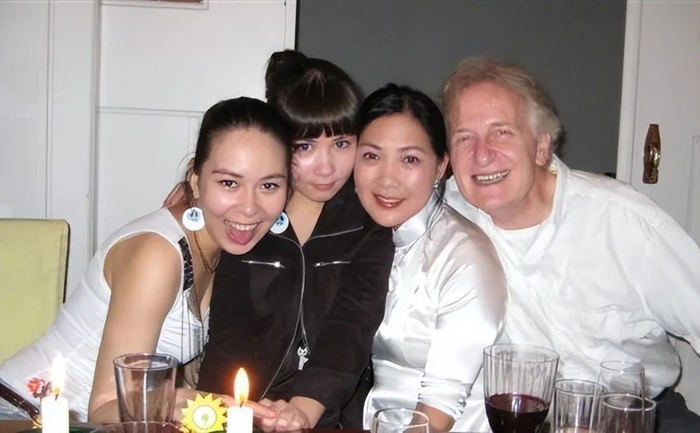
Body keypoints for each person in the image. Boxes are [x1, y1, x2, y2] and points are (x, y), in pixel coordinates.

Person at [441, 57, 700, 431]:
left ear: (542, 146)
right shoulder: (448, 219)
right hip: (525, 420)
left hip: (634, 417)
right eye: (465, 137)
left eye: (501, 132)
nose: (481, 154)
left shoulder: (620, 219)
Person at [0, 97, 292, 422]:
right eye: (229, 183)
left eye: (268, 185)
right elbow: (106, 405)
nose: (249, 208)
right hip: (19, 413)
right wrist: (192, 401)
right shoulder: (159, 254)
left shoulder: (226, 248)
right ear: (196, 181)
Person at [196, 52, 395, 430]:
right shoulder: (249, 219)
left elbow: (350, 330)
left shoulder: (368, 225)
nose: (326, 167)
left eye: (341, 143)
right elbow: (228, 334)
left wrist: (304, 408)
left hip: (330, 416)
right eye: (306, 146)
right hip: (241, 411)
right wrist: (224, 415)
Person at [352, 83, 506, 432]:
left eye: (409, 159)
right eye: (372, 156)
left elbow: (440, 404)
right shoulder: (358, 238)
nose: (387, 179)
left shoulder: (464, 257)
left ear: (440, 167)